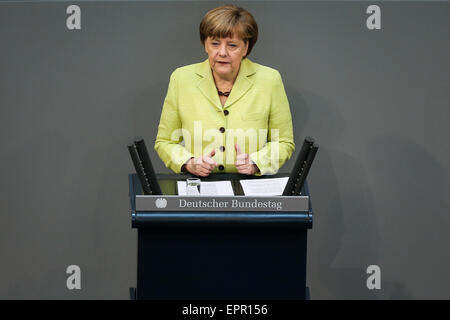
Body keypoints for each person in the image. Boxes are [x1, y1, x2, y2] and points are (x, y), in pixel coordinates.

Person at [154, 4, 295, 177]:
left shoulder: (269, 80)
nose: (222, 52)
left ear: (246, 47)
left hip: (249, 189)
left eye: (232, 45)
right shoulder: (181, 78)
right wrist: (189, 163)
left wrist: (256, 163)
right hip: (198, 189)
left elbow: (283, 142)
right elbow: (165, 141)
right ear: (205, 44)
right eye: (214, 43)